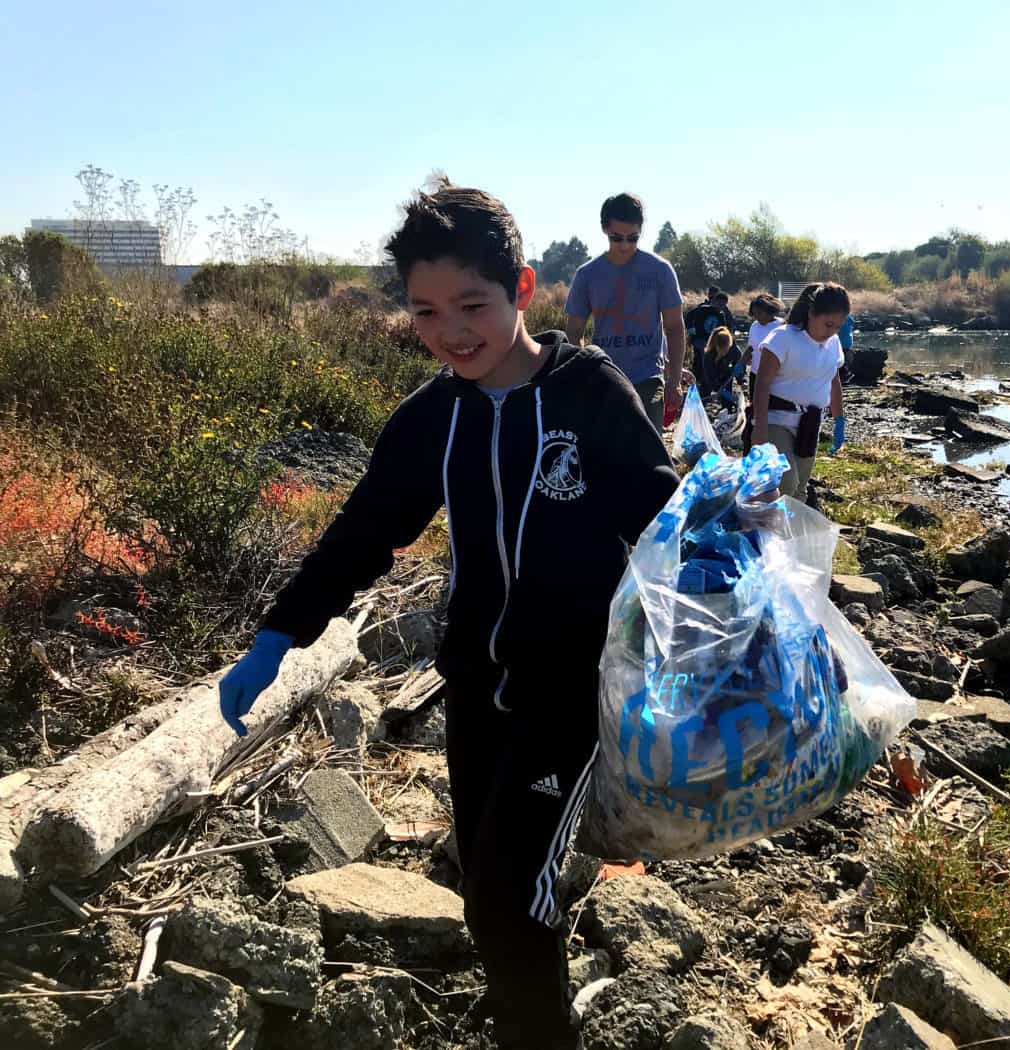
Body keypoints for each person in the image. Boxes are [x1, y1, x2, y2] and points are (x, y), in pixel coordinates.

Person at [216, 181, 679, 1050]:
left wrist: (725, 579)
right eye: (427, 313)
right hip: (473, 687)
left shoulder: (588, 393)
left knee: (514, 898)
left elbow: (660, 516)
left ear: (525, 290)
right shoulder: (433, 417)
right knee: (485, 895)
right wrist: (279, 634)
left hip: (569, 690)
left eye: (473, 304)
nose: (452, 331)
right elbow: (363, 533)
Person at [565, 193, 686, 431]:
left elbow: (674, 327)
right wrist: (583, 375)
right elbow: (573, 331)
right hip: (605, 376)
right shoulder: (587, 274)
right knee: (607, 453)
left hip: (648, 376)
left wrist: (673, 382)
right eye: (616, 238)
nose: (625, 246)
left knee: (648, 452)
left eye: (632, 238)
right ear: (604, 229)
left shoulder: (660, 270)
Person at [751, 282, 849, 501]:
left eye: (838, 327)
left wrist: (839, 419)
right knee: (785, 482)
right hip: (776, 420)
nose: (831, 332)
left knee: (799, 489)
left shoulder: (833, 343)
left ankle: (787, 533)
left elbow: (833, 381)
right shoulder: (783, 337)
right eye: (828, 324)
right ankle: (757, 524)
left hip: (810, 423)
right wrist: (759, 425)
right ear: (811, 313)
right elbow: (762, 382)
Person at [684, 290, 734, 389]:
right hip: (699, 338)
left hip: (712, 341)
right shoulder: (703, 309)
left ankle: (710, 381)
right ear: (714, 301)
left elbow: (724, 329)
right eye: (719, 303)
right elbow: (689, 317)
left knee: (713, 359)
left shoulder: (721, 315)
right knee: (701, 358)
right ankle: (702, 381)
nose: (721, 306)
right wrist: (690, 329)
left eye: (724, 304)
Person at [745, 293, 786, 376]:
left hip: (776, 375)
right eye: (754, 314)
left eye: (759, 313)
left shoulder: (782, 326)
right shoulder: (754, 325)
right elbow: (751, 348)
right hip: (755, 372)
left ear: (770, 311)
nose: (756, 317)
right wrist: (741, 363)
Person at [837, 312, 856, 384]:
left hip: (841, 343)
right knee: (844, 360)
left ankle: (845, 375)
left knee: (841, 361)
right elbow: (852, 324)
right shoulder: (848, 317)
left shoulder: (836, 318)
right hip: (847, 343)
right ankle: (846, 374)